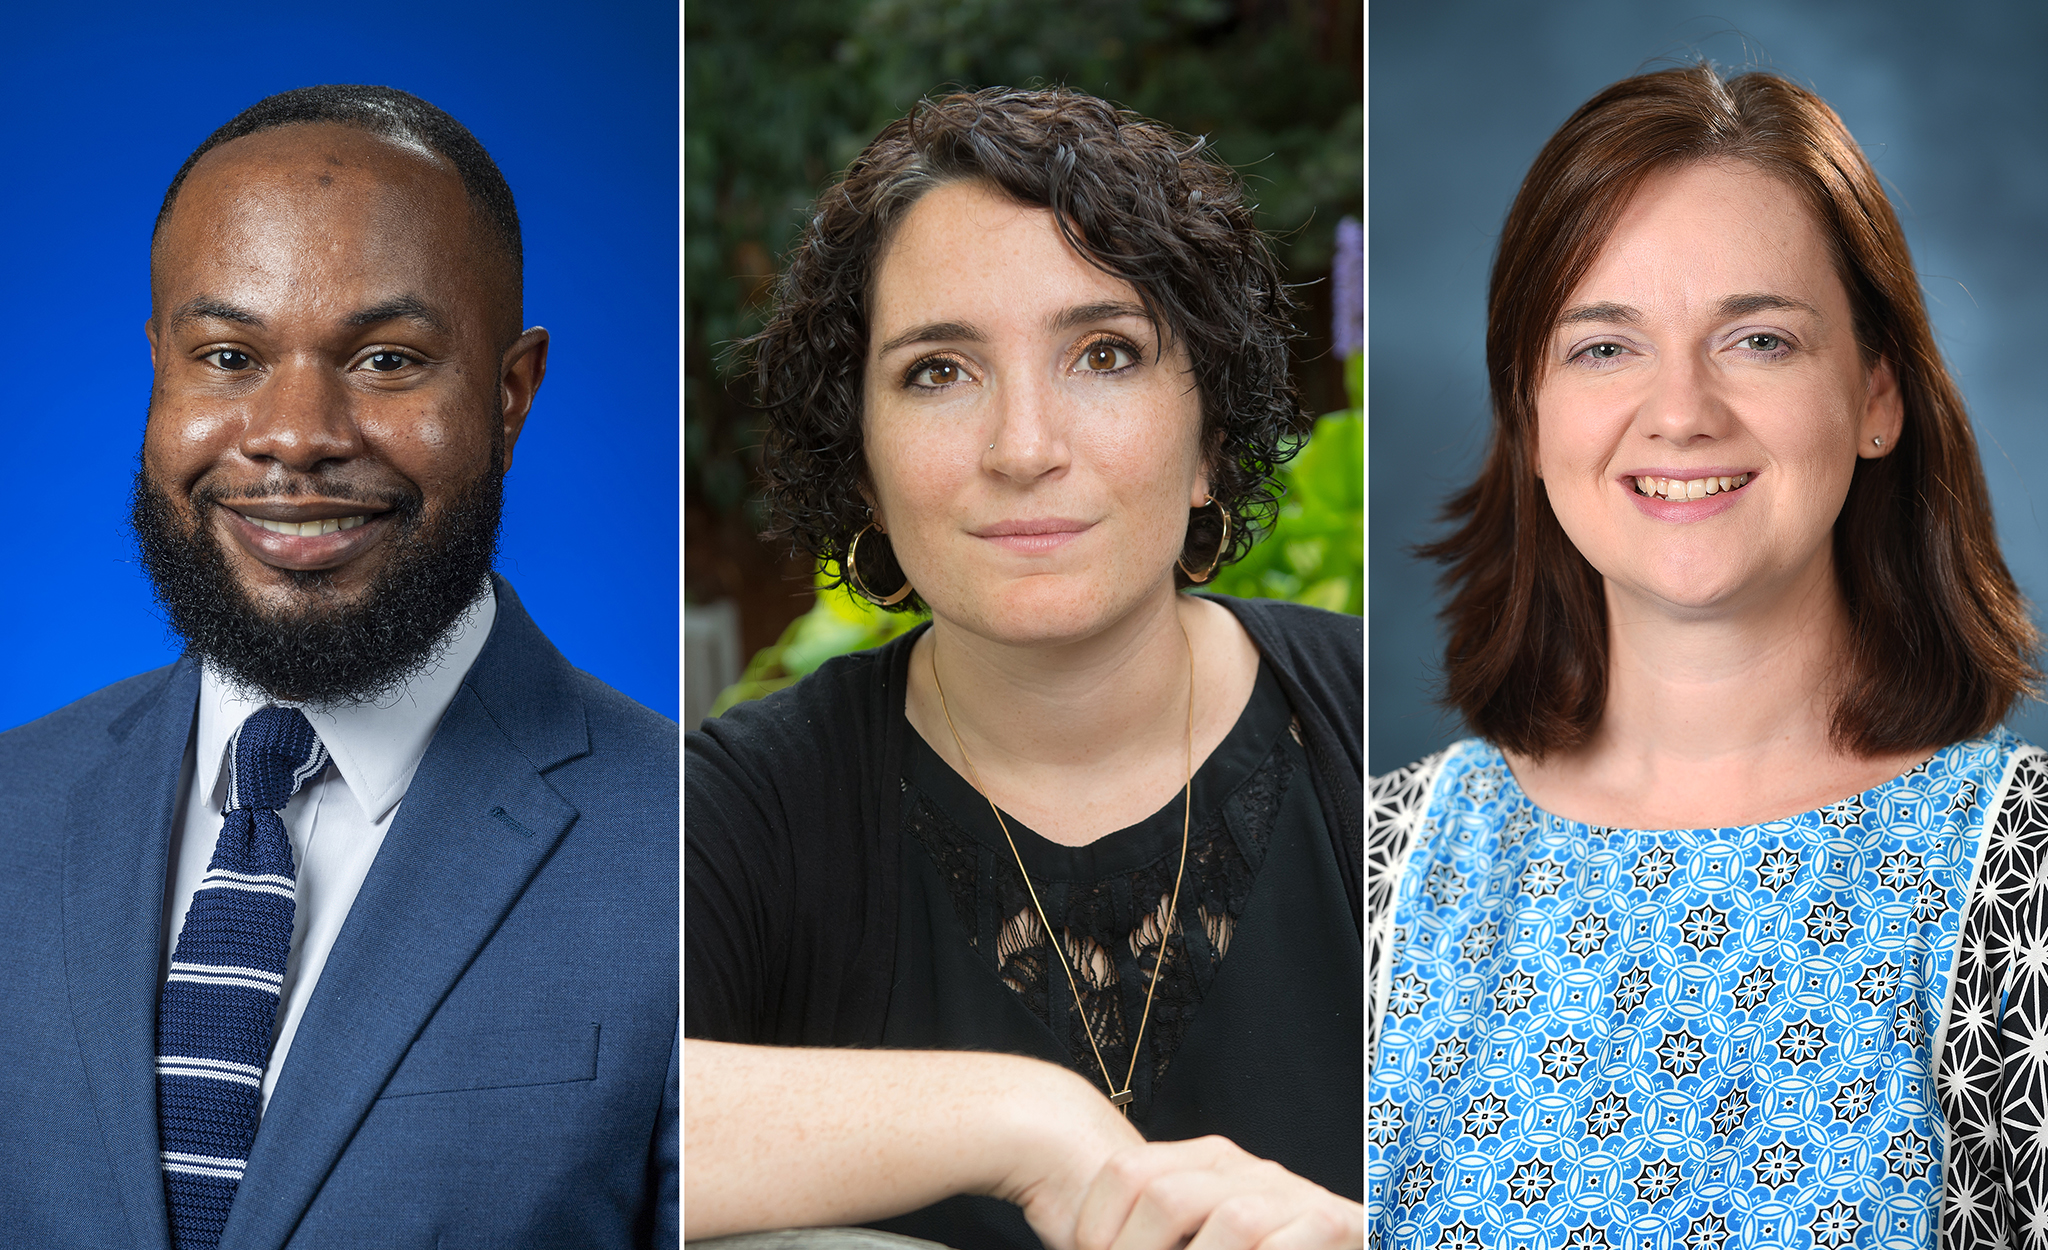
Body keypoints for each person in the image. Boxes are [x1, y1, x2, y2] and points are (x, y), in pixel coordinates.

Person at [1368, 64, 2046, 1248]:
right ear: (1527, 415)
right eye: (1601, 347)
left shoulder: (2021, 882)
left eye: (1758, 338)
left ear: (1874, 392)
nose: (1679, 411)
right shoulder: (1375, 862)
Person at [686, 87, 1365, 1250]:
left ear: (1209, 440)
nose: (1023, 448)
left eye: (1102, 353)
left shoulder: (1403, 733)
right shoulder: (735, 810)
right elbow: (548, 1105)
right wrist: (1024, 1119)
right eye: (938, 371)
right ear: (863, 467)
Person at [0, 86, 677, 1248]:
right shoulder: (15, 803)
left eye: (384, 358)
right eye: (227, 354)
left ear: (511, 394)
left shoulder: (683, 840)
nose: (297, 431)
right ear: (159, 369)